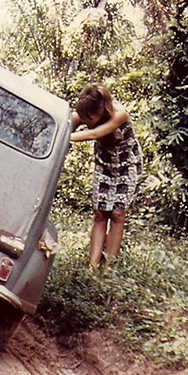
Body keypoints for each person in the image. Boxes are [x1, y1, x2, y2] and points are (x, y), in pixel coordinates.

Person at [70, 83, 143, 271]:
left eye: (90, 118)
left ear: (101, 109)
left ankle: (109, 267)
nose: (87, 121)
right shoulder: (86, 112)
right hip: (104, 164)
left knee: (118, 214)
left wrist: (66, 137)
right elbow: (66, 124)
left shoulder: (119, 113)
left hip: (127, 165)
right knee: (100, 213)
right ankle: (92, 267)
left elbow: (95, 133)